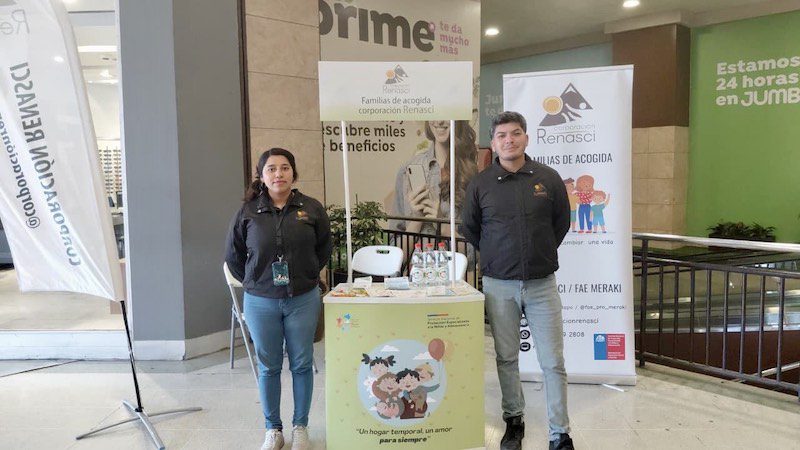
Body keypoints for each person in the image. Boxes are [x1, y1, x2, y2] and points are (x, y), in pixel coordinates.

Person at [461, 112, 574, 450]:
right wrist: (498, 255)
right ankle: (514, 420)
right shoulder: (480, 184)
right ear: (493, 144)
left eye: (515, 133)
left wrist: (538, 252)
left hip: (542, 284)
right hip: (499, 286)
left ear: (526, 137)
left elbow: (560, 224)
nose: (509, 140)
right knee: (507, 358)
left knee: (553, 361)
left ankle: (559, 433)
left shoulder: (548, 178)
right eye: (502, 135)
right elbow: (471, 229)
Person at [225, 148, 332, 450]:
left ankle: (301, 427)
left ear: (293, 173)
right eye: (271, 169)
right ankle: (273, 429)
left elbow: (324, 249)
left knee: (302, 364)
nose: (278, 174)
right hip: (261, 301)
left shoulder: (311, 208)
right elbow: (233, 255)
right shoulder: (248, 212)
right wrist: (255, 281)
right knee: (269, 367)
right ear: (262, 176)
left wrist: (306, 276)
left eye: (285, 168)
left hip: (303, 299)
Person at [391, 120, 478, 235]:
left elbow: (474, 246)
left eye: (446, 113)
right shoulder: (405, 171)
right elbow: (394, 245)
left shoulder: (471, 175)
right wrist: (417, 219)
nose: (440, 121)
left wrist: (442, 225)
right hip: (417, 247)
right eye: (435, 114)